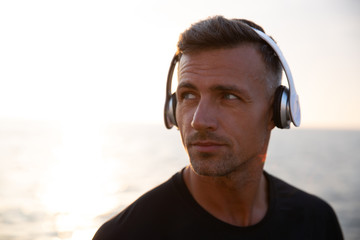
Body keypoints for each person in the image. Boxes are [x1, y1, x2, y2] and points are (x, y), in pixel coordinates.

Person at [93, 16, 343, 239]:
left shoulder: (317, 221)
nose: (198, 121)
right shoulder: (124, 235)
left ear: (277, 111)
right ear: (172, 108)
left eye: (228, 96)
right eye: (188, 95)